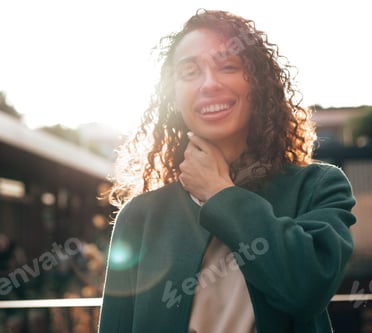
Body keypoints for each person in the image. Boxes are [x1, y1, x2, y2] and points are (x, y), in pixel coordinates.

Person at [98, 9, 356, 333]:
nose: (209, 84)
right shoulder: (141, 216)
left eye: (228, 66)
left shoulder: (318, 187)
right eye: (189, 72)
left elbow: (307, 290)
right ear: (173, 97)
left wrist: (220, 194)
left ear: (258, 86)